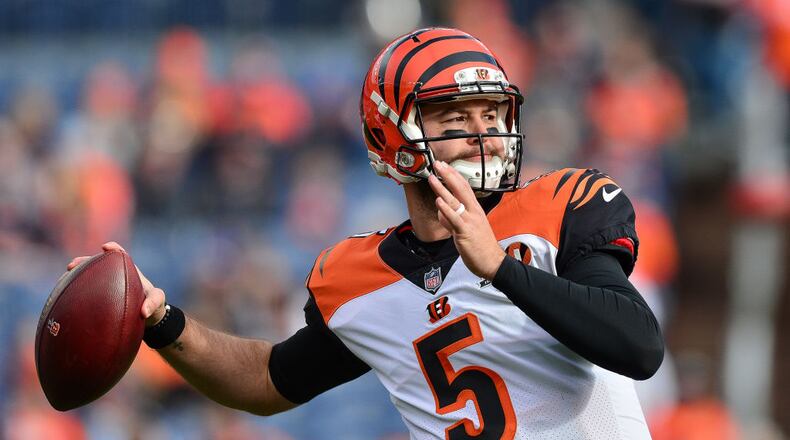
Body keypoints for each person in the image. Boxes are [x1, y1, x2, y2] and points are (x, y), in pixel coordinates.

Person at [68, 27, 664, 439]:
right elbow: (266, 380)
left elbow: (637, 346)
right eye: (456, 117)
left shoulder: (560, 207)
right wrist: (162, 321)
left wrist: (502, 269)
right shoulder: (357, 279)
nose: (483, 136)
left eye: (493, 116)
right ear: (393, 136)